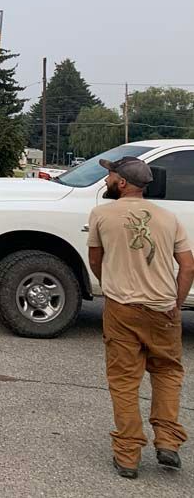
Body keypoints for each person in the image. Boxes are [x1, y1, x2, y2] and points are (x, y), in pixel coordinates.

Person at [87, 155, 194, 479]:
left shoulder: (102, 215)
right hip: (164, 309)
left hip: (123, 308)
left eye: (110, 176)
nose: (106, 180)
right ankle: (168, 442)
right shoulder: (168, 218)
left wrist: (111, 285)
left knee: (124, 381)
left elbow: (96, 259)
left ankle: (128, 455)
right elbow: (187, 265)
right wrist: (175, 302)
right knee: (167, 373)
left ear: (122, 183)